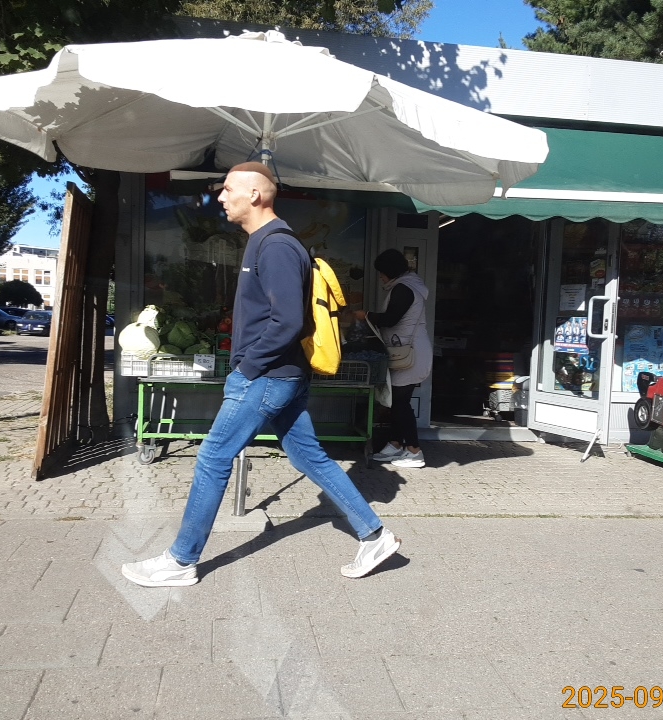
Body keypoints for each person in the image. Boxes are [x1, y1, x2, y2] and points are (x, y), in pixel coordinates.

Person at [122, 162, 400, 587]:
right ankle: (375, 537)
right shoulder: (265, 242)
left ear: (254, 194)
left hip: (266, 376)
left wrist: (248, 367)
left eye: (227, 188)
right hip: (278, 375)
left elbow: (288, 321)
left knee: (213, 457)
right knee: (308, 456)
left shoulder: (277, 246)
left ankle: (180, 561)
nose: (220, 196)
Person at [355, 248, 433, 468]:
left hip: (410, 353)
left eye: (382, 273)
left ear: (389, 271)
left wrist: (365, 315)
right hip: (409, 351)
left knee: (400, 402)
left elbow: (390, 319)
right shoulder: (408, 285)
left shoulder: (404, 288)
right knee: (397, 401)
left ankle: (414, 450)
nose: (380, 277)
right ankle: (396, 444)